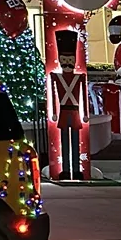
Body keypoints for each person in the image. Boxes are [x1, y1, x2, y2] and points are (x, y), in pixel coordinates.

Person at [50, 29, 87, 179]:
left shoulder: (79, 77)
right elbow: (53, 95)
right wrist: (53, 111)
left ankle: (76, 170)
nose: (67, 64)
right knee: (64, 142)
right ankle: (66, 170)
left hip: (75, 111)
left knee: (75, 142)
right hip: (65, 112)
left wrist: (84, 114)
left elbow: (84, 95)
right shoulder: (56, 77)